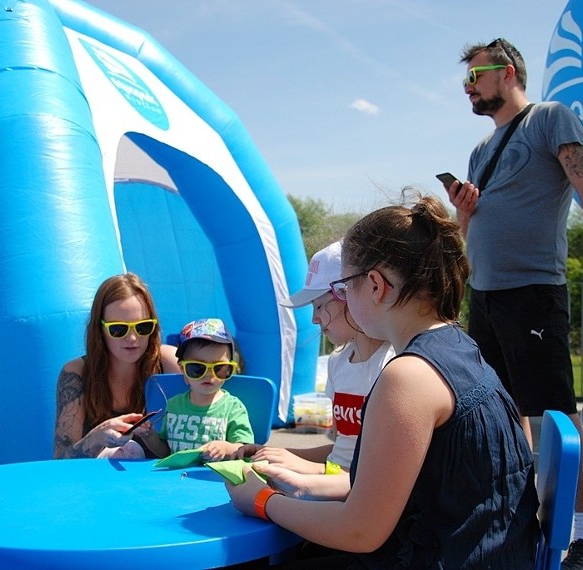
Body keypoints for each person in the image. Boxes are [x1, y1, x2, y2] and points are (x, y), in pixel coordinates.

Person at [226, 194, 539, 568]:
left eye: (345, 288)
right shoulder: (459, 347)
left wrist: (261, 501)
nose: (342, 300)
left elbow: (360, 530)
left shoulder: (407, 376)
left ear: (375, 285)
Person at [443, 38, 583, 570]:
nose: (469, 88)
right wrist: (462, 211)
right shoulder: (480, 151)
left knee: (557, 418)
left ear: (506, 73)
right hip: (485, 295)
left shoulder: (552, 118)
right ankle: (518, 516)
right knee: (500, 415)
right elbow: (470, 229)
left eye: (475, 77)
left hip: (533, 291)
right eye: (465, 81)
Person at [234, 240, 395, 499]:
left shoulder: (392, 366)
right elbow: (341, 453)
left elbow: (378, 476)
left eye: (320, 306)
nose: (314, 318)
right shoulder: (338, 361)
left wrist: (306, 469)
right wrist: (283, 454)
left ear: (349, 295)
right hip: (336, 487)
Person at [53, 273, 180, 459]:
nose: (132, 338)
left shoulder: (168, 362)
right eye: (118, 329)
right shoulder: (76, 373)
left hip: (161, 484)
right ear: (99, 330)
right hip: (99, 484)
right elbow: (60, 459)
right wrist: (95, 438)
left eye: (142, 327)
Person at [138, 317, 255, 460]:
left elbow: (246, 449)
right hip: (176, 479)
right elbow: (166, 452)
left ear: (231, 369)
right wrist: (150, 436)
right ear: (183, 370)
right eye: (197, 368)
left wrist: (226, 448)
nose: (209, 375)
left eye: (219, 368)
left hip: (216, 479)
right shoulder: (174, 405)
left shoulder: (233, 408)